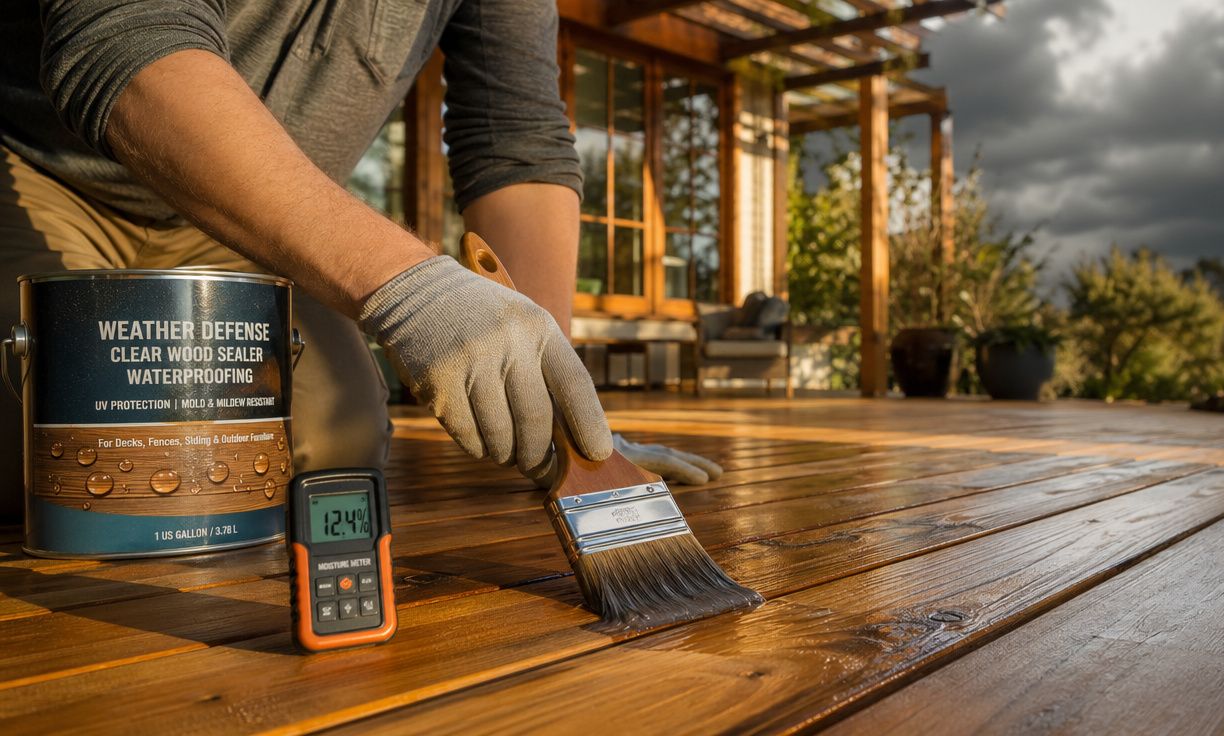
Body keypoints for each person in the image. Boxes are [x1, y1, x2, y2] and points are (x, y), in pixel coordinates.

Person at [0, 0, 722, 521]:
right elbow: (124, 35)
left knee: (328, 452)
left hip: (250, 229)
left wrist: (564, 421)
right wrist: (410, 288)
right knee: (39, 454)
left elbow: (516, 140)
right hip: (43, 172)